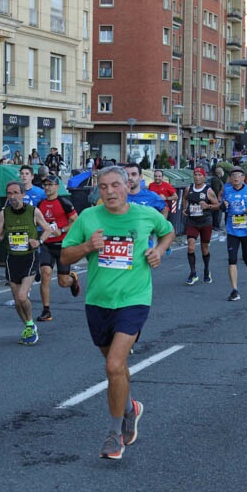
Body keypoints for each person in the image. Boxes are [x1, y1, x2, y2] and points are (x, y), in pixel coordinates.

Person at [60, 166, 174, 459]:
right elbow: (65, 255)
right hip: (98, 300)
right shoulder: (89, 217)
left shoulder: (145, 214)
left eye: (115, 185)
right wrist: (87, 246)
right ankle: (130, 407)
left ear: (128, 187)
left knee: (113, 365)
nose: (110, 191)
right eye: (103, 187)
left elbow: (168, 231)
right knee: (116, 366)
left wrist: (158, 252)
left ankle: (114, 435)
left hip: (134, 299)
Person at [0, 181, 54, 345]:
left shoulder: (34, 211)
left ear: (23, 194)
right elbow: (1, 232)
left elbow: (48, 229)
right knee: (17, 300)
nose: (12, 196)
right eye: (9, 193)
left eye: (15, 193)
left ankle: (31, 324)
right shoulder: (4, 213)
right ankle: (29, 326)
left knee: (22, 296)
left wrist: (39, 242)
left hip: (29, 257)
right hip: (12, 258)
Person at [35, 174, 80, 321]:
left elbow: (76, 221)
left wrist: (62, 230)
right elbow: (36, 221)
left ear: (57, 187)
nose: (47, 188)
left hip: (62, 245)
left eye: (50, 185)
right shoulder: (40, 204)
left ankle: (72, 279)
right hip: (47, 245)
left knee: (63, 282)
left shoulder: (64, 202)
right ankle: (46, 310)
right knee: (45, 273)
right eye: (45, 185)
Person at [220, 168, 247, 301]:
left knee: (246, 259)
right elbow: (222, 206)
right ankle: (234, 290)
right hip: (232, 230)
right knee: (232, 259)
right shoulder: (227, 190)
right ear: (231, 178)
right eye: (233, 176)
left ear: (243, 178)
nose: (236, 178)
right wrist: (223, 206)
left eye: (238, 175)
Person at [182, 167, 219, 285]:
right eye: (195, 175)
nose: (197, 177)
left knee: (204, 249)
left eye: (199, 175)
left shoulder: (208, 191)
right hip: (192, 222)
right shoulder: (189, 188)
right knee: (191, 247)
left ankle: (207, 271)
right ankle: (193, 273)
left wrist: (207, 206)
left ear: (204, 177)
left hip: (205, 222)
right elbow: (184, 198)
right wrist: (184, 208)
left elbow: (217, 205)